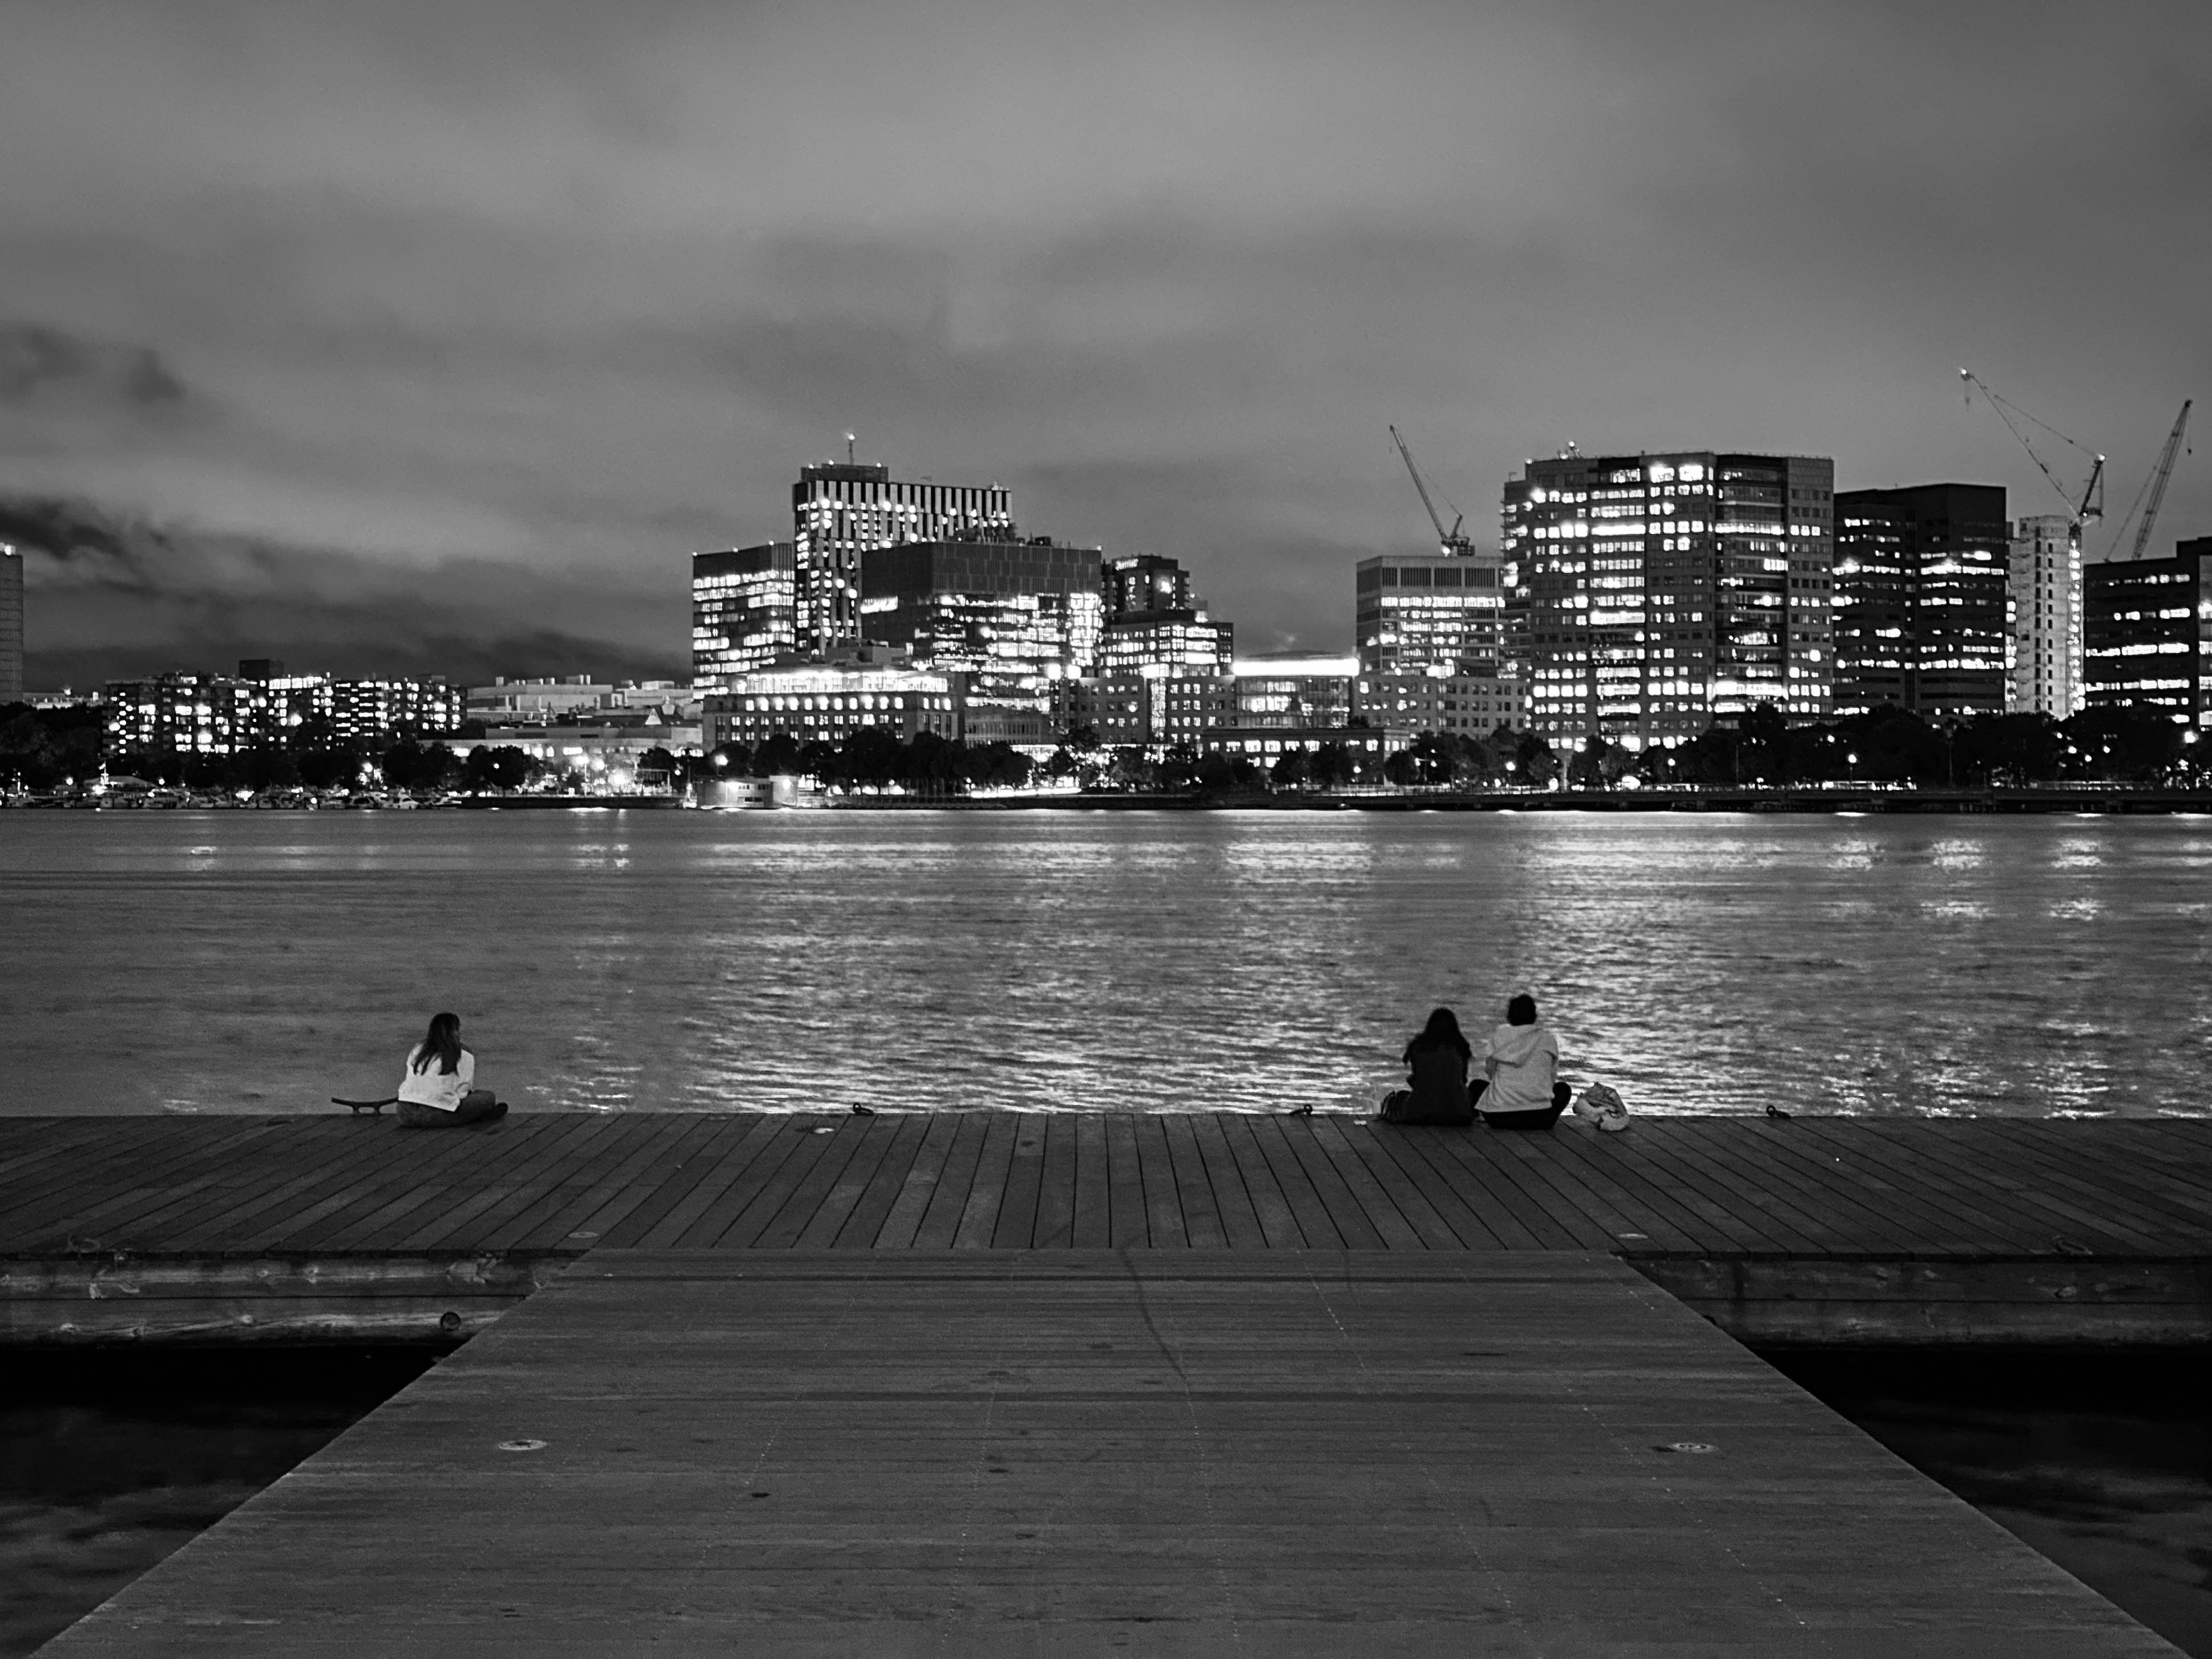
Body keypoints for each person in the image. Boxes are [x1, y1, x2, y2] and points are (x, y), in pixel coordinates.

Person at [1475, 993, 1572, 1131]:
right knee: (1563, 1089)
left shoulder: (1498, 1037)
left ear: (1509, 1016)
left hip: (1499, 1118)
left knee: (1477, 1086)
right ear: (1534, 1016)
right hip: (1540, 1118)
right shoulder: (1548, 1040)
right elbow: (1551, 1078)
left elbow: (1491, 1074)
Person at [395, 1012, 507, 1128]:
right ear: (455, 1031)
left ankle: (474, 1116)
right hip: (436, 1116)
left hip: (405, 1114)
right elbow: (463, 1092)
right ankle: (478, 1116)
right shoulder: (463, 1053)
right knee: (487, 1097)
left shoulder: (418, 1050)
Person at [1377, 1008, 1476, 1125]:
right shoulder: (1460, 1047)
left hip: (1421, 1111)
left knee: (1399, 1097)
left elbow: (1418, 1079)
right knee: (1476, 1086)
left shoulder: (1420, 1046)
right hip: (1459, 1113)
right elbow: (1462, 1079)